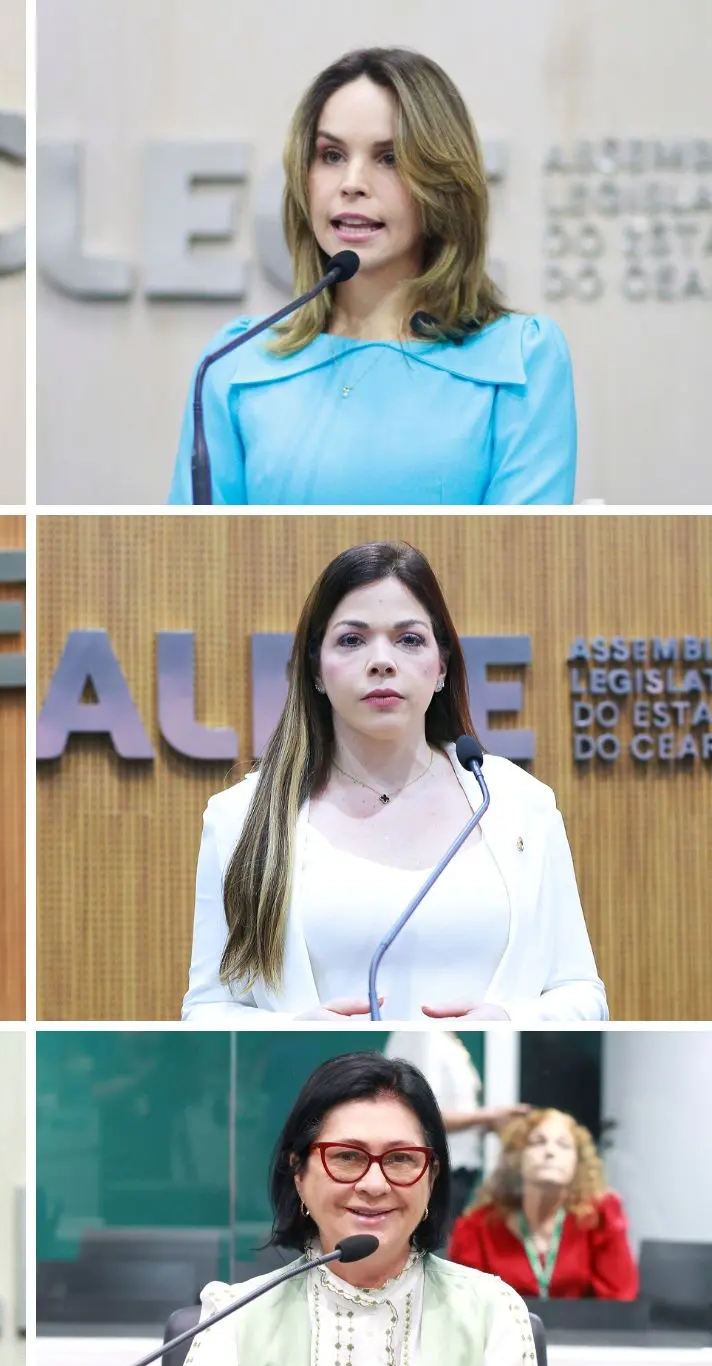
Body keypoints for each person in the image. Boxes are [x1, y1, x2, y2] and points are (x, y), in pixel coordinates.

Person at [118, 1052, 582, 1366]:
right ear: (298, 1173)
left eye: (402, 1159)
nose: (375, 1184)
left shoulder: (491, 1310)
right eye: (346, 1157)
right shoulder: (240, 1312)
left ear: (433, 1178)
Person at [183, 541, 604, 1019]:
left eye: (409, 640)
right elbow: (208, 1007)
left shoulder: (518, 803)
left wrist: (510, 1022)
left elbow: (580, 991)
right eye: (351, 640)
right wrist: (297, 1030)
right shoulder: (242, 816)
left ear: (442, 666)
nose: (382, 661)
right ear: (316, 671)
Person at [170, 48, 575, 505]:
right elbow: (199, 565)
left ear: (442, 183)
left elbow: (523, 564)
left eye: (389, 158)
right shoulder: (233, 362)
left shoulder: (520, 359)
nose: (352, 182)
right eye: (332, 154)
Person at [450, 1108, 639, 1300]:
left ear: (577, 1163)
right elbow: (464, 1307)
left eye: (563, 1145)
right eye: (538, 1142)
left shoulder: (600, 1218)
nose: (550, 1152)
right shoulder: (477, 1227)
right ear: (517, 1158)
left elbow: (619, 1302)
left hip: (585, 1330)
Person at [381, 1032, 529, 1214]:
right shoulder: (421, 1035)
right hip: (434, 1172)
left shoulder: (447, 1038)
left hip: (458, 1174)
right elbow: (419, 1113)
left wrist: (493, 1122)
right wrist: (487, 1117)